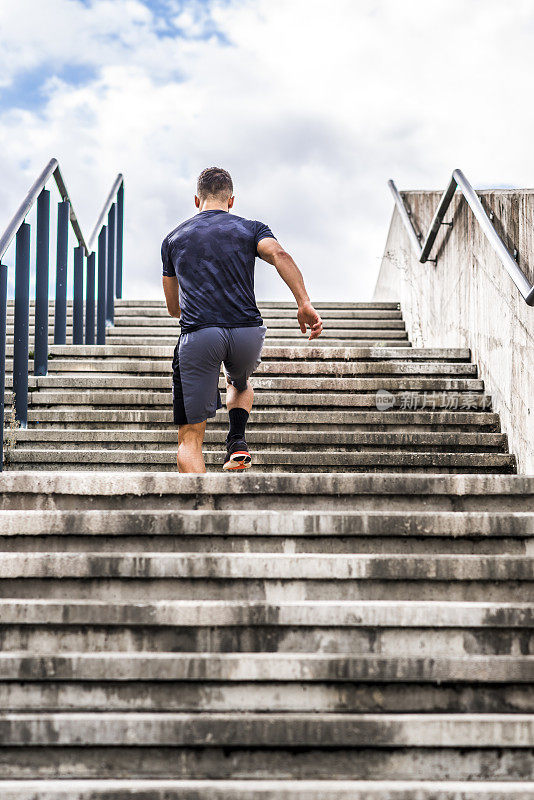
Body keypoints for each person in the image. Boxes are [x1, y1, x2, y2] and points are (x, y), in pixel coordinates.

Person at [161, 166, 323, 474]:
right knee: (239, 382)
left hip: (200, 335)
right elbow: (281, 256)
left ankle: (202, 510)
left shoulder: (173, 239)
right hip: (247, 332)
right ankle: (237, 441)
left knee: (190, 438)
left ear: (197, 200)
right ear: (231, 201)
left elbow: (173, 308)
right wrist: (304, 303)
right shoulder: (251, 228)